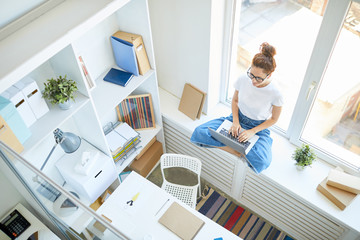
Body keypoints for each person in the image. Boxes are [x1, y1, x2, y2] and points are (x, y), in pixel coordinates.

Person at [190, 42, 283, 174]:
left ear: (269, 75)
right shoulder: (243, 79)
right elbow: (235, 100)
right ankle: (239, 151)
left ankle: (238, 148)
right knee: (200, 132)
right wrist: (235, 122)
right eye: (251, 74)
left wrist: (252, 131)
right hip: (237, 119)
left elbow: (274, 119)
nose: (253, 81)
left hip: (258, 128)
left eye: (258, 78)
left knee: (262, 161)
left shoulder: (276, 93)